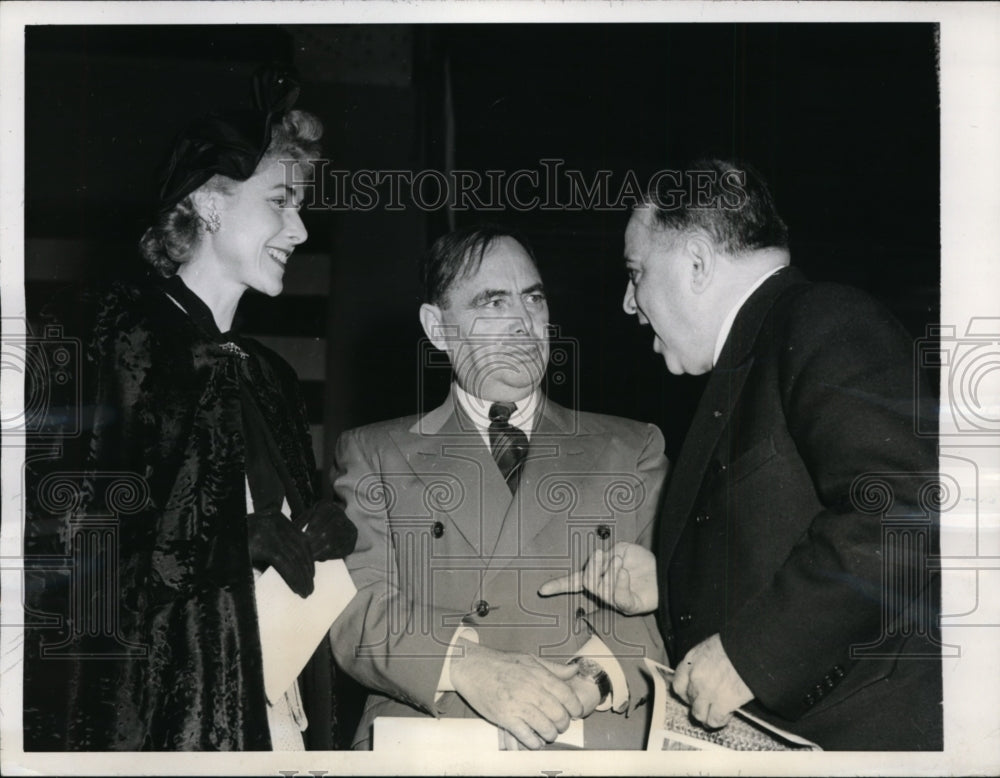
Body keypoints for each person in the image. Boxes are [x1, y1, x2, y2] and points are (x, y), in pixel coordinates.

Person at [543, 159, 941, 750]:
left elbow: (906, 508)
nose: (629, 303)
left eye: (636, 273)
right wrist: (677, 582)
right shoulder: (759, 348)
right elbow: (792, 520)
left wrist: (750, 657)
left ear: (698, 263)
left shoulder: (822, 318)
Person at [23, 66, 356, 751]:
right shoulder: (116, 337)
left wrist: (322, 526)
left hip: (274, 708)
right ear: (208, 206)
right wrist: (231, 541)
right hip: (164, 724)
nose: (298, 229)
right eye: (280, 202)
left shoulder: (267, 372)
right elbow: (68, 554)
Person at [328, 224, 669, 750]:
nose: (522, 323)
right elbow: (353, 611)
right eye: (492, 303)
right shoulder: (375, 453)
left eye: (533, 299)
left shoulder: (632, 448)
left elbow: (678, 603)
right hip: (430, 741)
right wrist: (469, 667)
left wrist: (590, 680)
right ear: (438, 329)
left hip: (589, 737)